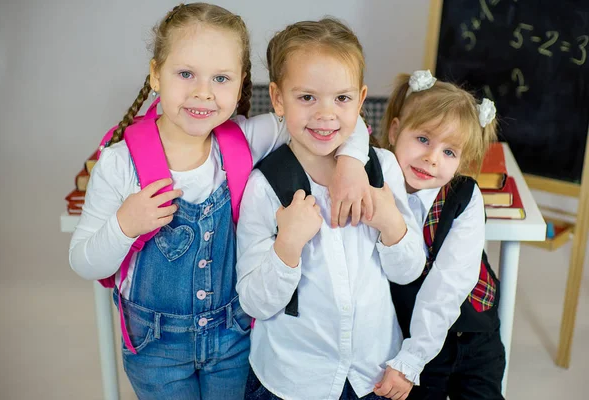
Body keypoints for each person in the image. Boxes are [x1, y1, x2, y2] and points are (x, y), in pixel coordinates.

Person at [68, 4, 372, 399]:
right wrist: (124, 225)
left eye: (221, 78)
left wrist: (350, 163)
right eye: (185, 74)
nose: (203, 92)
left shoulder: (244, 141)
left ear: (241, 82)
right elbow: (84, 260)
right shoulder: (120, 162)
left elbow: (334, 119)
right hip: (155, 350)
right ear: (155, 74)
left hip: (234, 338)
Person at [237, 19, 426, 400]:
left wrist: (391, 222)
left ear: (360, 99)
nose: (326, 115)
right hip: (292, 378)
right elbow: (254, 302)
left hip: (370, 372)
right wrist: (286, 246)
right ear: (277, 98)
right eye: (307, 97)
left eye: (341, 98)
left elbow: (407, 273)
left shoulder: (382, 169)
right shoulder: (265, 186)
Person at [380, 70, 504, 400]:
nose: (432, 159)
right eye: (423, 139)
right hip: (409, 332)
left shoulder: (464, 196)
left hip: (473, 334)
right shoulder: (377, 185)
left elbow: (447, 286)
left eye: (450, 152)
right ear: (395, 131)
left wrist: (411, 359)